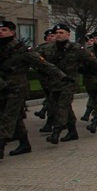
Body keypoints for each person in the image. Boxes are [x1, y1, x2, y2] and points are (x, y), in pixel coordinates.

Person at [0, 18, 69, 158]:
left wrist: (61, 76)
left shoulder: (21, 49)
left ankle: (0, 146)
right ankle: (24, 144)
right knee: (15, 118)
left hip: (16, 88)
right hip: (2, 87)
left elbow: (43, 64)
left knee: (7, 117)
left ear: (13, 32)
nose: (0, 32)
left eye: (4, 30)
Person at [39, 24, 97, 144]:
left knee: (62, 106)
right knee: (63, 107)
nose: (58, 34)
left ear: (68, 34)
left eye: (62, 32)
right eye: (57, 32)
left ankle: (56, 132)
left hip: (69, 82)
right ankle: (72, 131)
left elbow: (93, 60)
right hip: (55, 83)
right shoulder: (47, 48)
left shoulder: (76, 48)